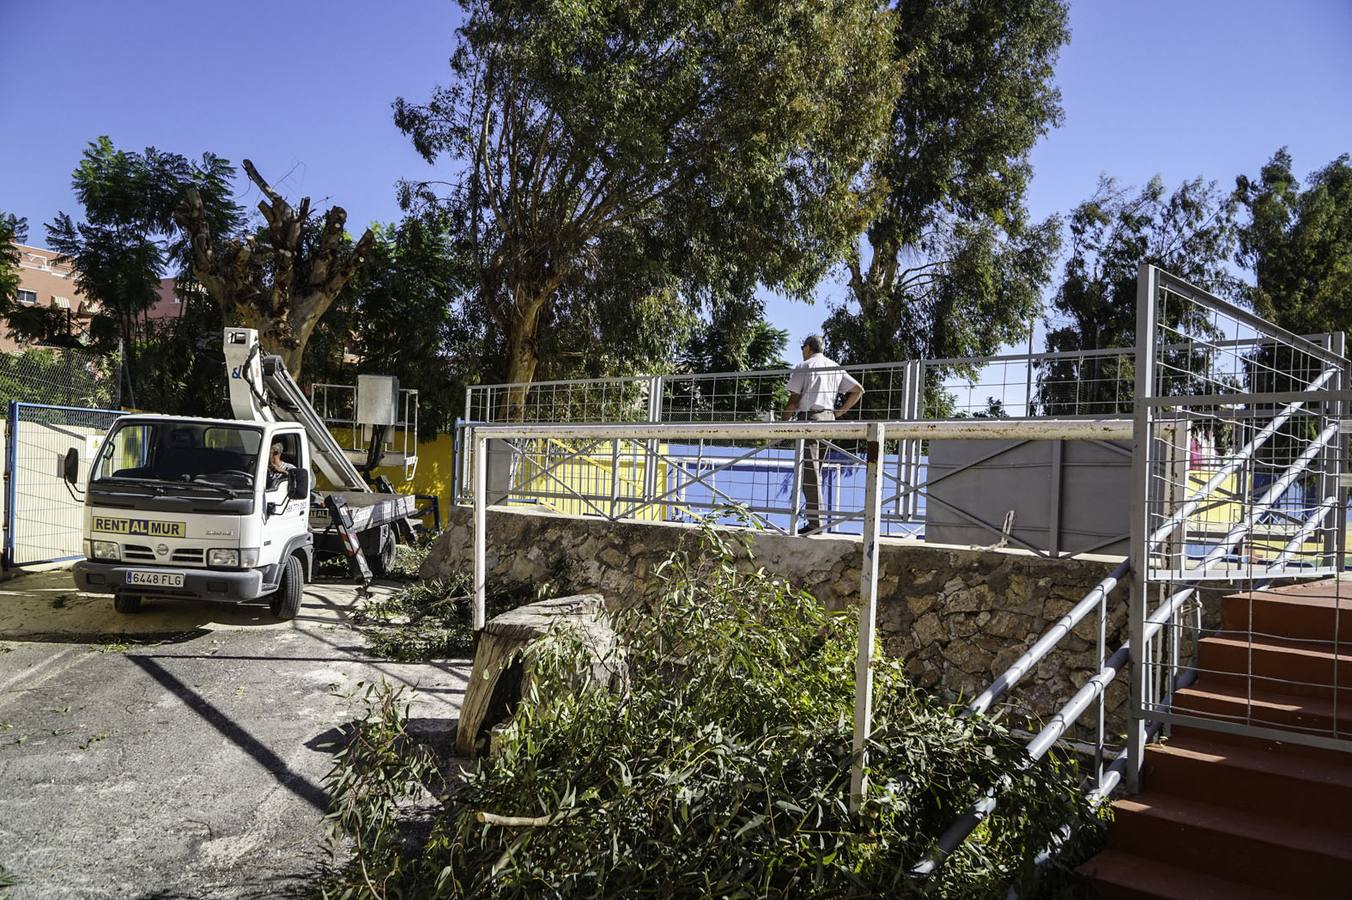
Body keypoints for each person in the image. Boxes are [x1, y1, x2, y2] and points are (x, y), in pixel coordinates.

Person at [783, 335, 864, 534]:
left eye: (803, 347)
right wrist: (840, 411)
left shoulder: (804, 366)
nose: (802, 350)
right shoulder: (834, 366)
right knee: (816, 471)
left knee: (810, 473)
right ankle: (816, 522)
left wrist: (782, 424)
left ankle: (815, 524)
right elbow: (858, 390)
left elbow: (794, 399)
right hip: (829, 420)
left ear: (809, 348)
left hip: (810, 418)